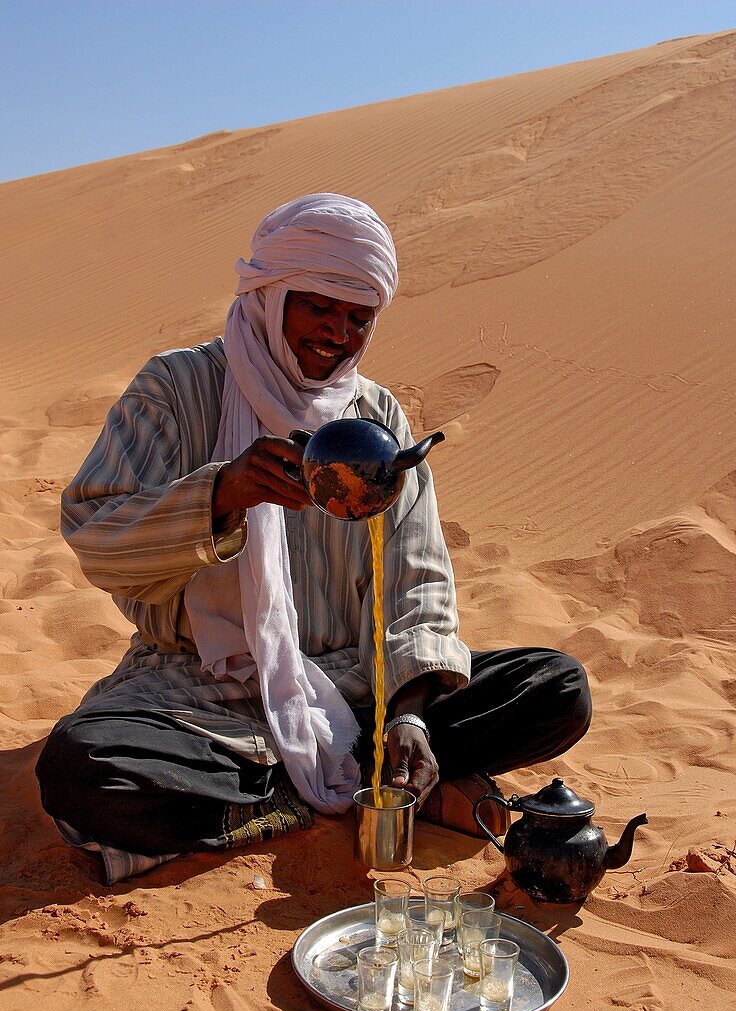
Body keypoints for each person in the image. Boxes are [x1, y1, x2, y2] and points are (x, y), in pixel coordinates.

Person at [36, 193, 591, 883]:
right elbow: (95, 537)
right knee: (83, 766)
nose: (336, 332)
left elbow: (417, 578)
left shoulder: (375, 413)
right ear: (271, 295)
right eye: (318, 307)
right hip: (202, 690)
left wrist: (410, 718)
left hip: (358, 684)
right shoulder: (177, 388)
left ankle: (350, 772)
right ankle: (345, 786)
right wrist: (221, 495)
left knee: (555, 687)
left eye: (358, 317)